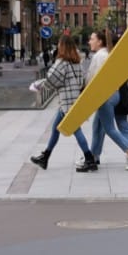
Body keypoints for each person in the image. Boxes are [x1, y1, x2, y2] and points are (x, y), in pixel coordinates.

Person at [29, 34, 98, 172]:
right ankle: (45, 157)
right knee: (56, 128)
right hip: (74, 100)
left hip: (66, 102)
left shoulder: (61, 63)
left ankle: (89, 159)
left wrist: (39, 85)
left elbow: (51, 80)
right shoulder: (77, 62)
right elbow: (81, 81)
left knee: (75, 130)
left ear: (61, 47)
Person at [85, 32, 128, 170]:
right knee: (99, 125)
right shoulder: (113, 56)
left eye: (92, 39)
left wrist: (85, 95)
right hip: (116, 94)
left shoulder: (101, 56)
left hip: (107, 95)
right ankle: (93, 155)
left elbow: (93, 78)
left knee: (110, 127)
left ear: (101, 42)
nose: (89, 41)